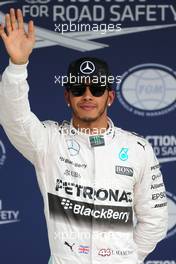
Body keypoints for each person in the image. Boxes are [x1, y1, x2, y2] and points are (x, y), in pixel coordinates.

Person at [0, 8, 168, 264]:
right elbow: (14, 117)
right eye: (78, 88)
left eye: (97, 88)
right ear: (68, 97)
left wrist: (126, 259)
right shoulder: (49, 140)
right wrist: (17, 66)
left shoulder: (138, 148)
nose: (87, 95)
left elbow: (155, 220)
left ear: (109, 97)